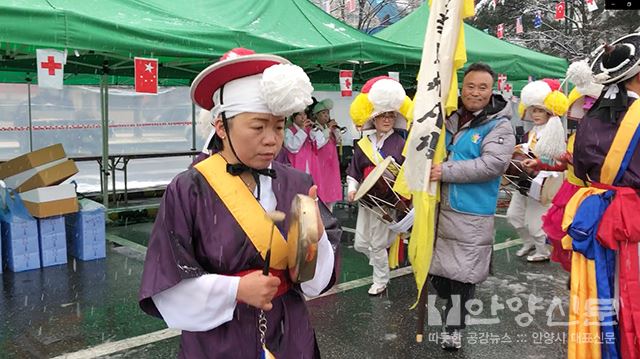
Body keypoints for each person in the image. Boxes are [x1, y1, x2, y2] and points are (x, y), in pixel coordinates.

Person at [138, 48, 342, 358]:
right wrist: (235, 290)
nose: (272, 139)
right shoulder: (189, 189)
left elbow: (315, 282)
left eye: (278, 127)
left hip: (290, 333)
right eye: (258, 127)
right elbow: (167, 278)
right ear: (221, 126)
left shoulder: (297, 182)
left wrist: (313, 237)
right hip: (218, 340)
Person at [427, 63, 516, 350]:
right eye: (470, 86)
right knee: (438, 276)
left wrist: (446, 171)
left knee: (462, 278)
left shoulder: (499, 124)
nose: (475, 93)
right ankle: (451, 316)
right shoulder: (451, 116)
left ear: (492, 91)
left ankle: (453, 328)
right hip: (440, 208)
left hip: (471, 213)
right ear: (461, 87)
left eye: (483, 87)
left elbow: (493, 164)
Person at [565, 33, 640, 358]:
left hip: (596, 215)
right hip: (632, 220)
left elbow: (579, 172)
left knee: (600, 296)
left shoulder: (590, 118)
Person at [521, 61, 602, 273]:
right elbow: (562, 164)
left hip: (591, 196)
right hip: (570, 193)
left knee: (588, 242)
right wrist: (539, 163)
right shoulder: (576, 136)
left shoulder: (606, 138)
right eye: (584, 106)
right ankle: (577, 276)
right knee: (564, 237)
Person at [345, 76, 412, 296]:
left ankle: (381, 281)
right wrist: (352, 189)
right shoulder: (363, 144)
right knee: (361, 244)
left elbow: (408, 175)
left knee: (377, 244)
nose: (386, 119)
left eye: (391, 115)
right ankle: (380, 267)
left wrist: (400, 199)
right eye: (382, 115)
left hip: (387, 203)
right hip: (366, 202)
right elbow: (354, 171)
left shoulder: (401, 144)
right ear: (373, 118)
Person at [507, 79, 569, 262]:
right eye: (533, 109)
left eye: (540, 110)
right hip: (525, 180)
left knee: (535, 224)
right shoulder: (534, 130)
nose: (535, 114)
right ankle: (528, 243)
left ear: (550, 110)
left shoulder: (555, 131)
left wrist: (536, 161)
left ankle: (542, 251)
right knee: (513, 216)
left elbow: (557, 159)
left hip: (543, 182)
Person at [309, 99, 343, 210]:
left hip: (331, 164)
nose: (326, 116)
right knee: (320, 191)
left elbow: (338, 141)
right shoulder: (314, 128)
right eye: (323, 113)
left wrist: (336, 130)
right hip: (319, 165)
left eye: (327, 113)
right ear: (316, 115)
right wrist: (328, 129)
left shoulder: (329, 128)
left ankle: (330, 218)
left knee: (331, 192)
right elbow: (318, 144)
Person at [283, 110, 323, 176]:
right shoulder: (288, 131)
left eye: (304, 114)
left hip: (311, 165)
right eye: (300, 115)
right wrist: (302, 130)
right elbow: (293, 147)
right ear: (294, 117)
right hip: (295, 165)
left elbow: (319, 143)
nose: (303, 117)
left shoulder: (309, 130)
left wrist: (315, 128)